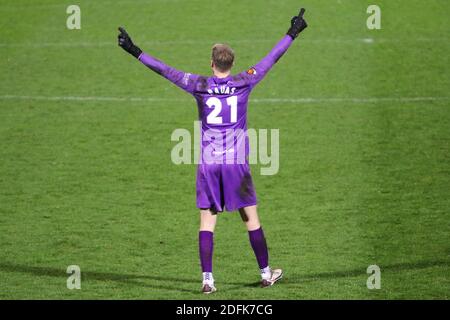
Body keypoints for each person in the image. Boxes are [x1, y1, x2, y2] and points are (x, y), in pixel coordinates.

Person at [118, 8, 307, 294]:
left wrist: (134, 50)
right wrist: (293, 32)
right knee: (250, 219)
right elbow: (272, 58)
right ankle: (266, 274)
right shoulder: (245, 80)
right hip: (236, 165)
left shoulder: (200, 85)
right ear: (232, 63)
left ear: (212, 63)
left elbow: (164, 70)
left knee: (207, 222)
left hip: (209, 164)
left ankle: (208, 280)